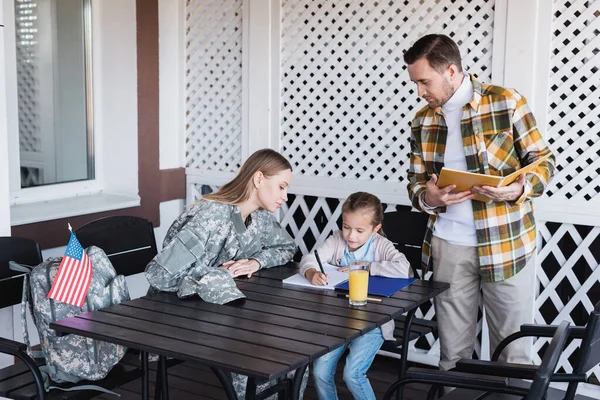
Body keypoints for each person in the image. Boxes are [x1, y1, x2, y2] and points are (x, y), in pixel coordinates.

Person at [403, 34, 555, 372]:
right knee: (452, 355)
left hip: (506, 243)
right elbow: (414, 183)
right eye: (415, 83)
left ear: (452, 71)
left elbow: (544, 161)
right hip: (448, 247)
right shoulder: (421, 120)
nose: (419, 92)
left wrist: (516, 190)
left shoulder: (507, 101)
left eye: (424, 81)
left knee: (514, 353)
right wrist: (429, 197)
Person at [144, 148, 306, 399]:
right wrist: (214, 274)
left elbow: (287, 247)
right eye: (282, 187)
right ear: (259, 179)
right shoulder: (212, 216)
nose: (285, 196)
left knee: (292, 354)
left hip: (220, 309)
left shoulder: (258, 217)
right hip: (176, 311)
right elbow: (160, 275)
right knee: (259, 351)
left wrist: (256, 262)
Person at [300, 192, 411, 400]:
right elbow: (310, 259)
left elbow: (404, 269)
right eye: (346, 227)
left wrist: (366, 266)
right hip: (338, 321)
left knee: (352, 374)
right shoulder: (336, 240)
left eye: (360, 230)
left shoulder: (380, 245)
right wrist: (311, 272)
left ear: (375, 228)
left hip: (374, 322)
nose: (351, 236)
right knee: (320, 370)